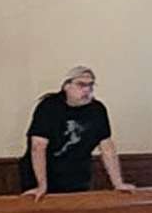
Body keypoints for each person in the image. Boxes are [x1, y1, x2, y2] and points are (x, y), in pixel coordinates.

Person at [21, 67, 132, 198]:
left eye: (91, 85)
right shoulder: (49, 107)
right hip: (44, 172)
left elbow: (107, 147)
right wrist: (41, 185)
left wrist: (118, 183)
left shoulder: (97, 110)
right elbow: (38, 147)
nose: (87, 90)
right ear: (66, 86)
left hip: (77, 175)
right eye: (81, 85)